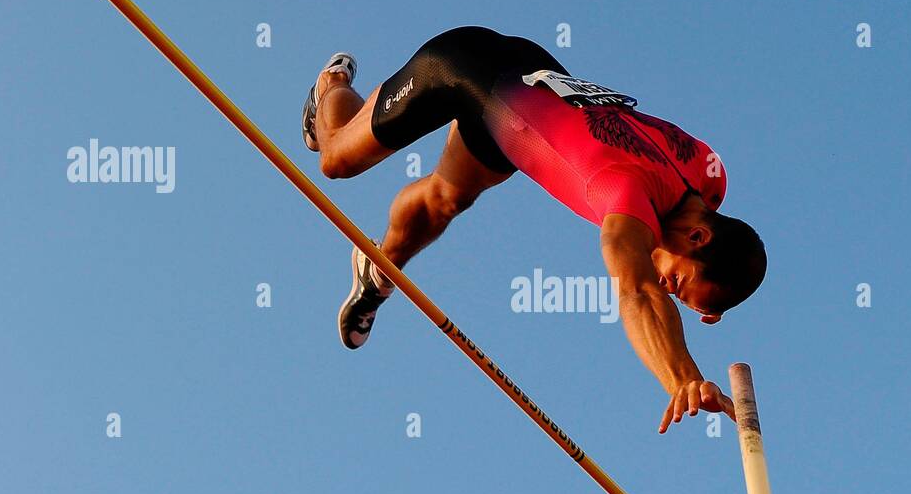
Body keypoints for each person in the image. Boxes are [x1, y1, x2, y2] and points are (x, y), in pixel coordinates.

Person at [300, 27, 766, 433]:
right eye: (678, 284)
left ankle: (376, 271)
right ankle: (333, 83)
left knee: (445, 200)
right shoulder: (625, 196)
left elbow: (713, 246)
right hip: (463, 67)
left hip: (519, 107)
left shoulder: (709, 175)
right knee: (336, 159)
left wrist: (708, 295)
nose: (667, 287)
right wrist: (681, 378)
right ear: (699, 238)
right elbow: (638, 291)